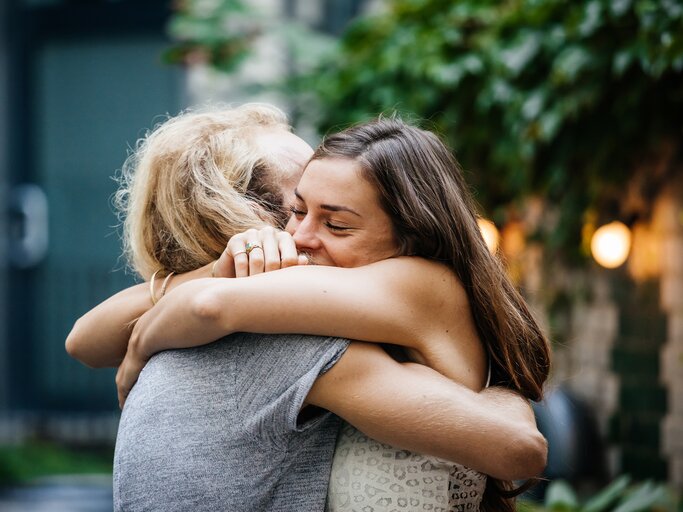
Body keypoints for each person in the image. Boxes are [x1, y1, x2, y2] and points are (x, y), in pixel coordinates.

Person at [66, 105, 547, 511]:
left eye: (335, 221)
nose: (300, 236)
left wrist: (141, 343)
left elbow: (206, 306)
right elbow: (86, 338)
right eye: (296, 207)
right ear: (245, 215)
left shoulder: (400, 289)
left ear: (410, 232)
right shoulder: (291, 331)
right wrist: (221, 268)